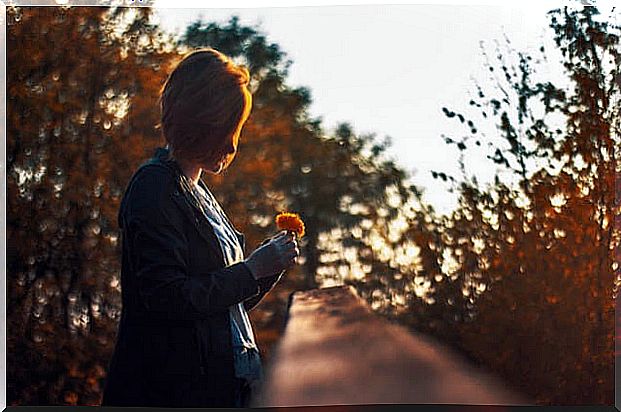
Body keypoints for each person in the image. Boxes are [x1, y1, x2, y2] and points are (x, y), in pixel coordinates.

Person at [101, 48, 299, 408]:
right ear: (196, 122)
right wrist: (252, 268)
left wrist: (268, 268)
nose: (232, 144)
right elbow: (168, 299)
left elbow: (220, 307)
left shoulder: (201, 195)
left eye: (235, 129)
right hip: (175, 394)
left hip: (228, 384)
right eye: (224, 129)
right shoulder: (154, 187)